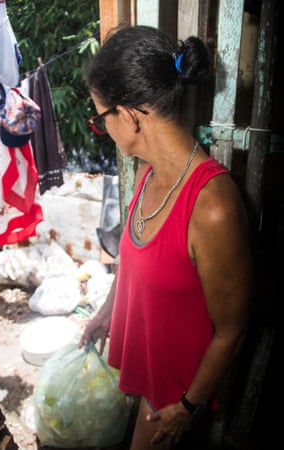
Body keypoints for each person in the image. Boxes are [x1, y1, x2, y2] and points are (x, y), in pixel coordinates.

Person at [79, 24, 253, 450]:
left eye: (102, 119)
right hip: (148, 376)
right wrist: (107, 310)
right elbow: (137, 259)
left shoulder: (213, 208)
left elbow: (233, 330)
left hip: (174, 399)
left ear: (131, 116)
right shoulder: (147, 171)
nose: (104, 130)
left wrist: (188, 407)